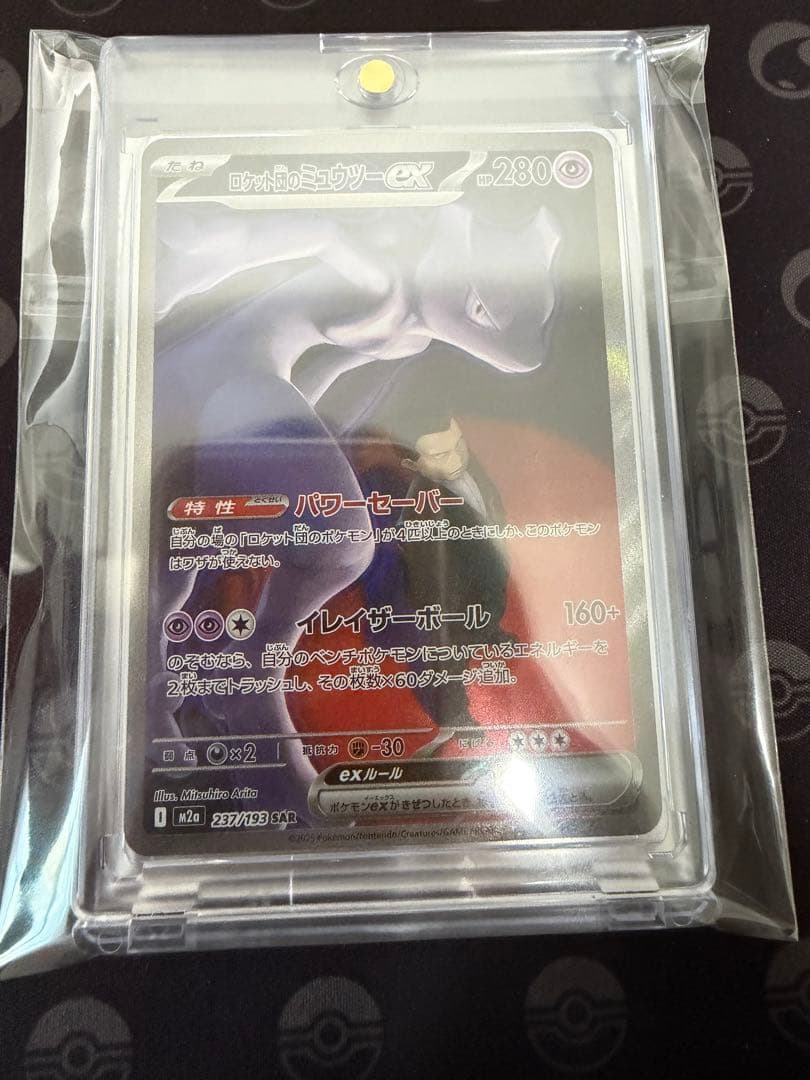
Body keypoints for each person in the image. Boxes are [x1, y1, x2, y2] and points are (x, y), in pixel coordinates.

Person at [398, 412, 512, 737]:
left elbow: (488, 498)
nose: (457, 458)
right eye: (440, 454)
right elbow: (423, 567)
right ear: (413, 462)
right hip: (453, 593)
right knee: (450, 654)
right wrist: (442, 608)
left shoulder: (469, 467)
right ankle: (455, 713)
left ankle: (488, 631)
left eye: (459, 444)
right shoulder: (420, 502)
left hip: (488, 564)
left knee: (492, 603)